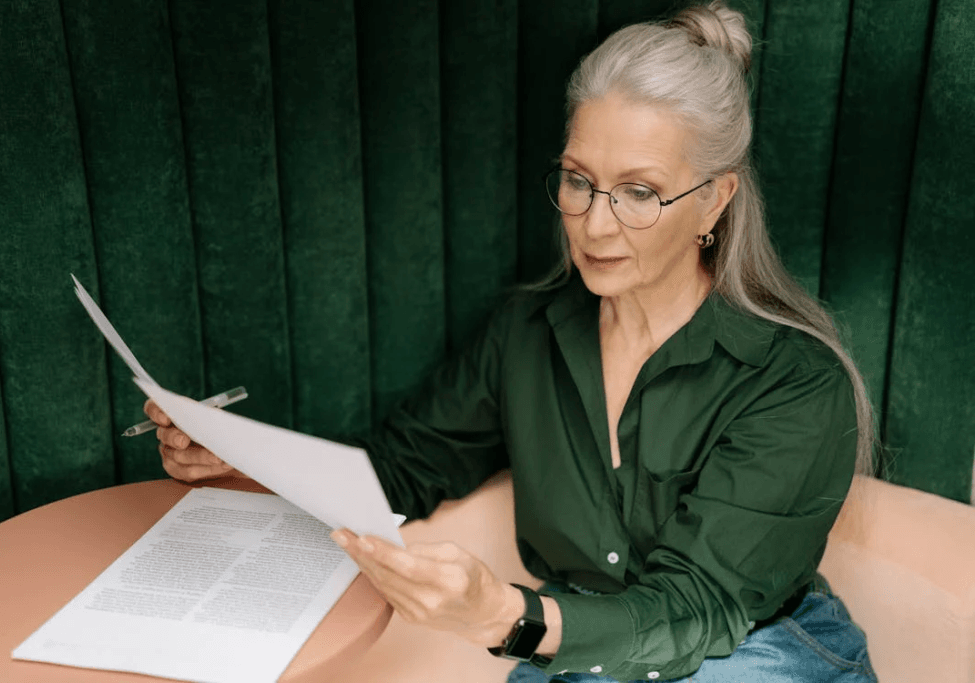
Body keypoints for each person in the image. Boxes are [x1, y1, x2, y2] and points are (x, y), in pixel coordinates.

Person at [146, 2, 879, 681]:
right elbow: (401, 468)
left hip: (749, 649)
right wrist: (239, 457)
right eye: (579, 181)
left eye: (640, 192)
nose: (594, 225)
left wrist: (508, 615)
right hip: (575, 648)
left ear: (714, 200)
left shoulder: (795, 382)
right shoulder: (525, 332)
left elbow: (695, 609)